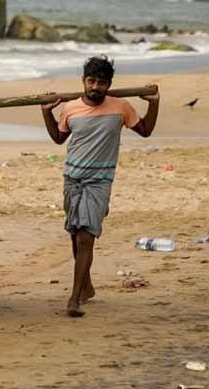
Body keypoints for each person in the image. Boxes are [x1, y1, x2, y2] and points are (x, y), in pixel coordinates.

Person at [40, 56, 160, 318]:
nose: (95, 87)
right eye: (91, 81)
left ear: (109, 84)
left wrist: (154, 104)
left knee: (86, 236)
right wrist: (46, 112)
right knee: (75, 233)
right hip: (72, 179)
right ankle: (87, 286)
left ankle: (74, 298)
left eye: (101, 83)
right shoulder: (70, 108)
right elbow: (58, 138)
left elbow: (146, 131)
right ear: (83, 81)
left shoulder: (122, 108)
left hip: (100, 182)